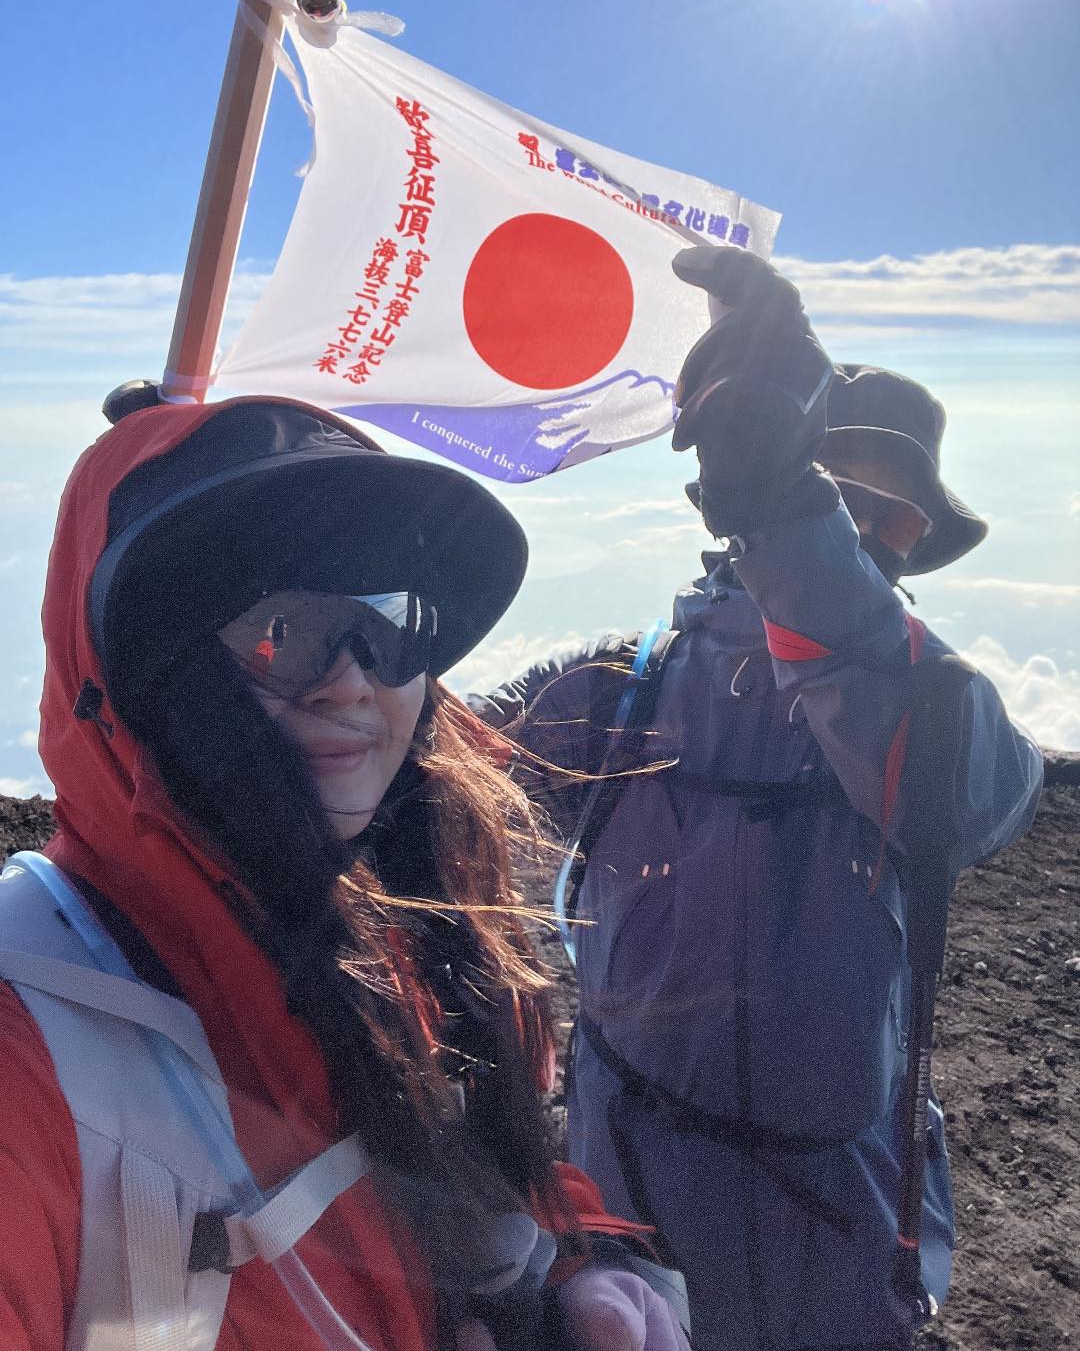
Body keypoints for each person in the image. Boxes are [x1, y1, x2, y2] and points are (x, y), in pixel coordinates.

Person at [0, 390, 691, 1351]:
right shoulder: (33, 1039)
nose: (354, 681)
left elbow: (484, 1180)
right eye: (278, 631)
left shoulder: (407, 943)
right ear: (144, 675)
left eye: (389, 622)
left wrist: (578, 1276)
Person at [468, 249, 1044, 1351]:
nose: (868, 535)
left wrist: (794, 526)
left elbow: (968, 801)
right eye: (838, 496)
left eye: (894, 519)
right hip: (625, 1214)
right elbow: (424, 773)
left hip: (834, 1231)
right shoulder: (619, 686)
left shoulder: (928, 705)